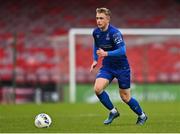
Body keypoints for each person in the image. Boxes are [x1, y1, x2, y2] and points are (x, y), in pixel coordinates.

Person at [90, 7, 148, 125]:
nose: (98, 21)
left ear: (108, 19)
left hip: (122, 68)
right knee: (97, 89)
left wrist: (106, 53)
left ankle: (142, 116)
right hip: (107, 66)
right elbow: (96, 45)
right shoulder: (95, 32)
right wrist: (95, 60)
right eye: (97, 18)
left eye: (101, 18)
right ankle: (113, 111)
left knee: (125, 97)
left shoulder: (114, 33)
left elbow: (122, 50)